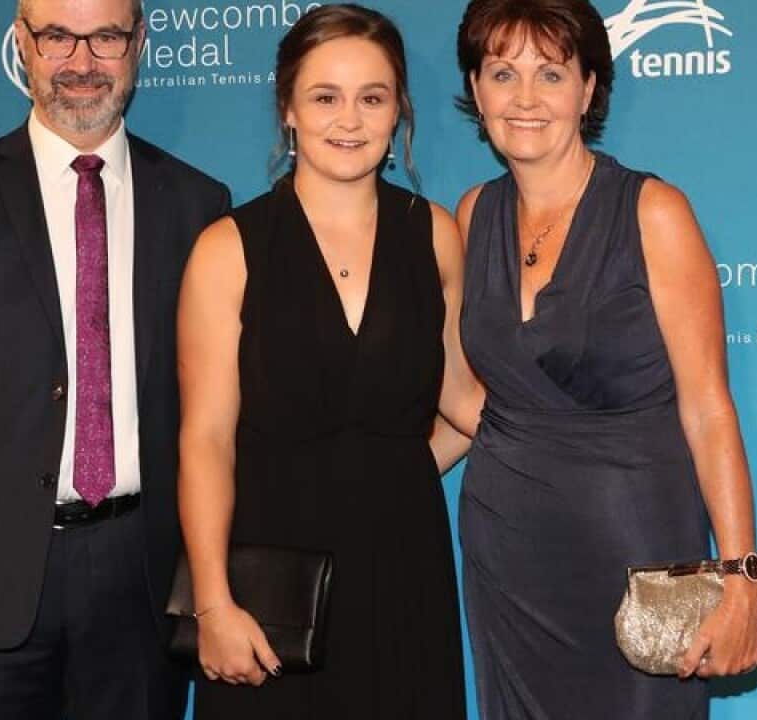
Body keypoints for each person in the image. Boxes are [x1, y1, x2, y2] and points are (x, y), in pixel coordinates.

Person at [0, 0, 229, 717]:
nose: (81, 61)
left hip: (143, 576)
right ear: (23, 44)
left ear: (139, 43)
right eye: (58, 35)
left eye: (105, 37)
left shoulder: (198, 204)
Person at [453, 0, 757, 718]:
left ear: (589, 89)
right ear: (476, 89)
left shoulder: (654, 211)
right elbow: (472, 398)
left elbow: (709, 407)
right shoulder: (473, 215)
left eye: (551, 74)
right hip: (508, 550)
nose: (525, 98)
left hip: (639, 551)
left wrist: (740, 575)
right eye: (503, 73)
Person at [176, 5, 481, 718]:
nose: (350, 119)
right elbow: (206, 440)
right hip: (268, 587)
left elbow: (467, 405)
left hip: (405, 569)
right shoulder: (227, 249)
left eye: (372, 97)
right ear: (288, 109)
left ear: (399, 110)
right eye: (324, 97)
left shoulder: (433, 235)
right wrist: (212, 606)